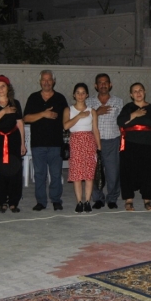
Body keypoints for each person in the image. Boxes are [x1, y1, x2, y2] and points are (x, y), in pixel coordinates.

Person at [24, 70, 68, 211]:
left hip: (56, 143)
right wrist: (43, 114)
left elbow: (66, 119)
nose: (47, 82)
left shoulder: (60, 98)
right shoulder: (33, 98)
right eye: (44, 79)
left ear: (53, 81)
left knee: (55, 174)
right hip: (38, 144)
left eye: (49, 79)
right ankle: (41, 202)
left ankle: (56, 200)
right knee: (40, 174)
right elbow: (26, 118)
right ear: (40, 81)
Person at [0, 75, 26, 213]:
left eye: (3, 86)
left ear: (8, 88)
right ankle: (2, 201)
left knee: (14, 171)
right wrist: (4, 111)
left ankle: (13, 202)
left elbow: (20, 124)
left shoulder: (15, 103)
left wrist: (22, 144)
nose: (1, 89)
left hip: (13, 141)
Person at [116, 83, 151, 211]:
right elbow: (120, 121)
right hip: (130, 144)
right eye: (135, 91)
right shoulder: (128, 107)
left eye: (140, 90)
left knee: (148, 172)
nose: (138, 93)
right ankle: (129, 199)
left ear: (145, 91)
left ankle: (147, 200)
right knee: (128, 172)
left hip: (148, 145)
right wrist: (134, 114)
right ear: (131, 95)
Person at [64, 83, 102, 213]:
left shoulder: (92, 111)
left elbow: (95, 130)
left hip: (89, 143)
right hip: (75, 142)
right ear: (74, 94)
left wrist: (99, 147)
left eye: (83, 92)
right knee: (77, 174)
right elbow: (66, 126)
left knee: (89, 175)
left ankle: (87, 201)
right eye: (78, 92)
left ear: (87, 95)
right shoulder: (68, 110)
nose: (80, 95)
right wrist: (79, 116)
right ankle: (79, 202)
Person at [87, 73, 123, 210]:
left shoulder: (118, 101)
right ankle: (98, 199)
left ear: (110, 85)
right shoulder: (89, 102)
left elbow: (121, 121)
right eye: (100, 83)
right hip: (93, 141)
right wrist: (97, 112)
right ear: (96, 86)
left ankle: (112, 198)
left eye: (106, 82)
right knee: (95, 172)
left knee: (113, 172)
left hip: (112, 141)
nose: (103, 85)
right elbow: (84, 120)